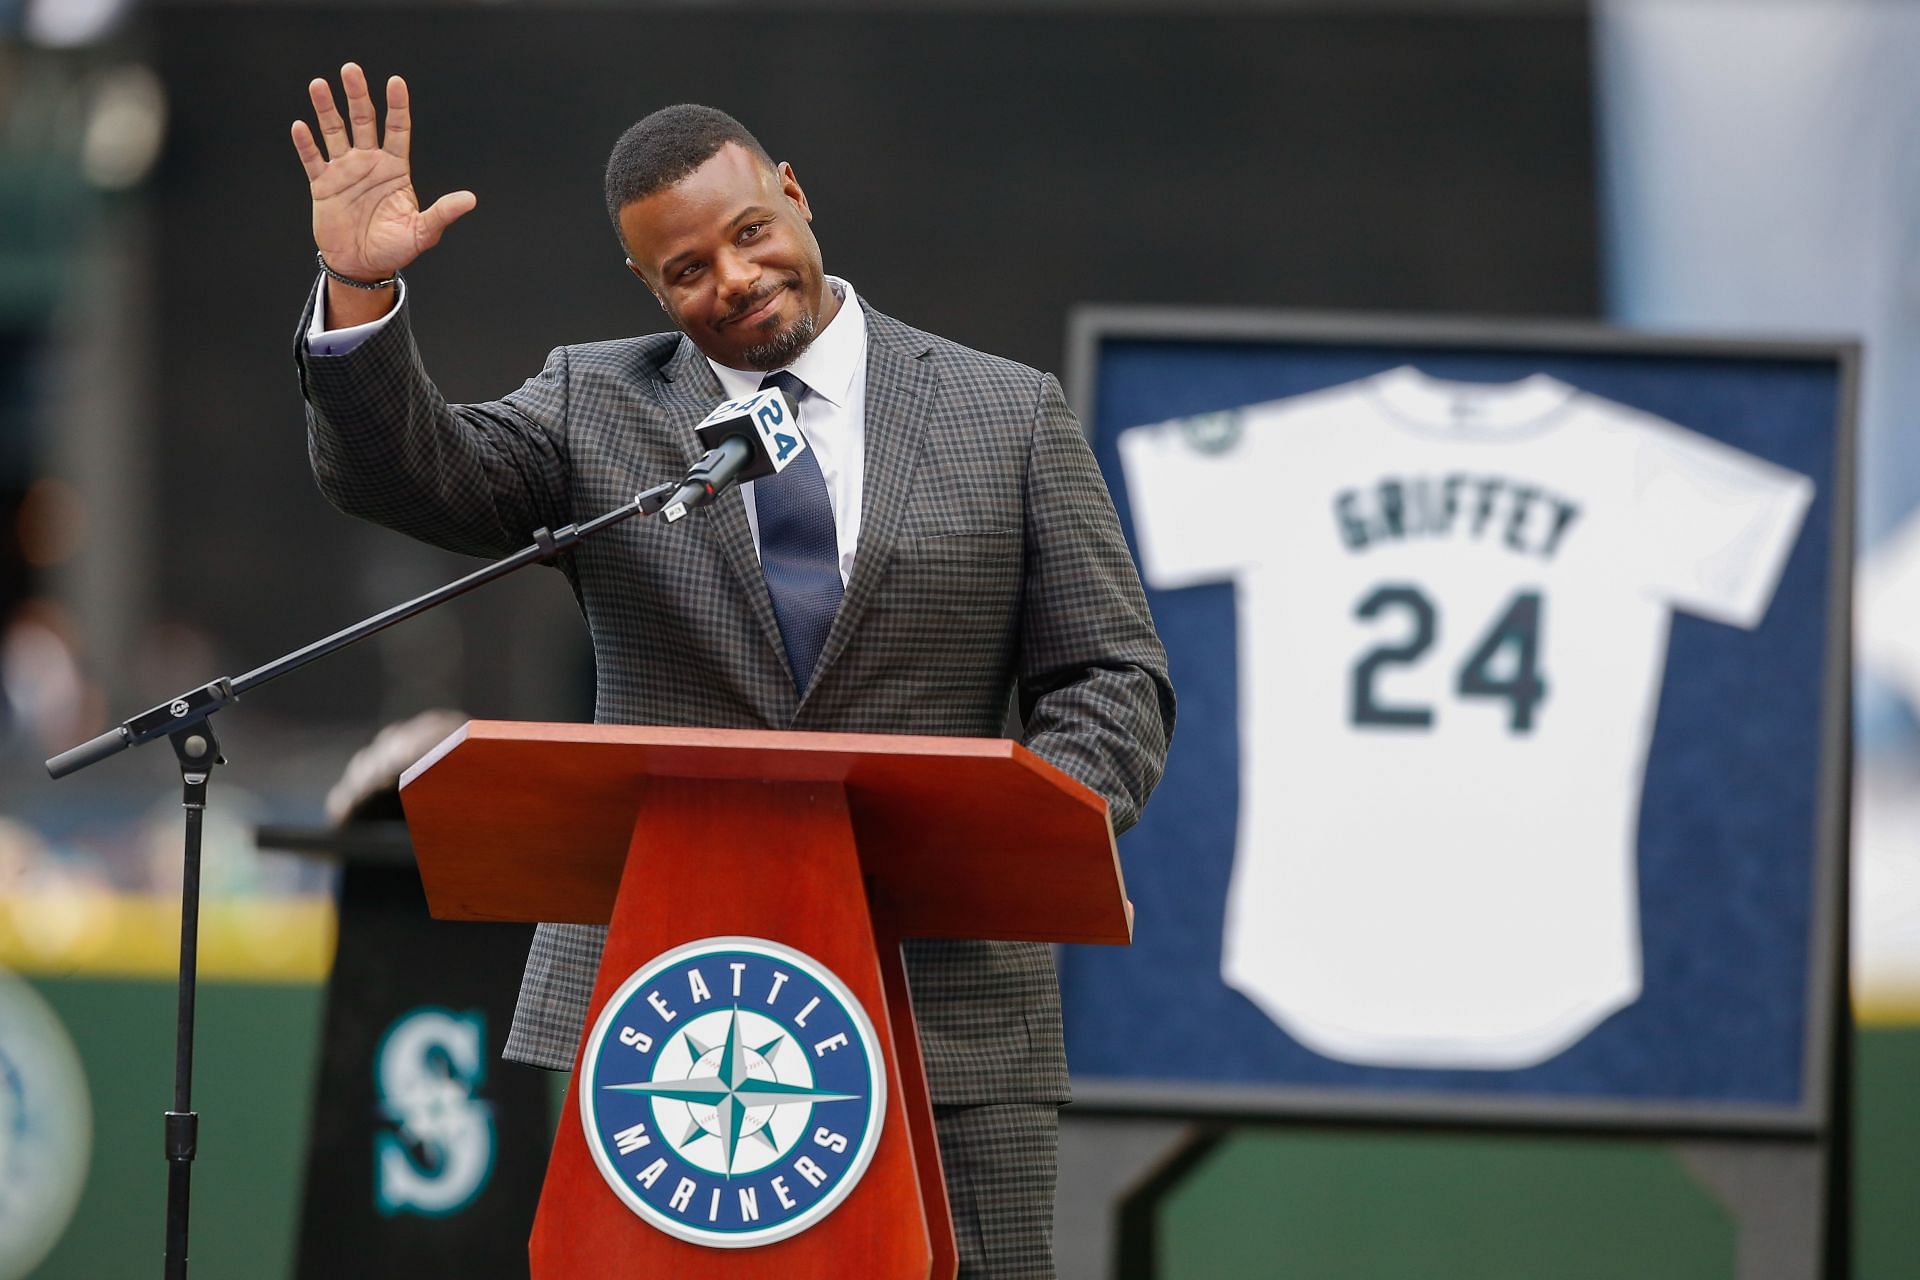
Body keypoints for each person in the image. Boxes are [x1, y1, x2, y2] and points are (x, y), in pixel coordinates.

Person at [290, 62, 1173, 1277]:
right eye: (686, 271)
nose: (736, 282)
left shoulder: (1004, 412)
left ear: (796, 197)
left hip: (946, 1012)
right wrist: (361, 286)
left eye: (750, 234)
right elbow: (411, 473)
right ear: (647, 284)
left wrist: (1007, 835)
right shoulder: (594, 404)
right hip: (673, 1025)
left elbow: (1114, 677)